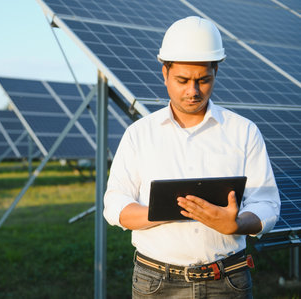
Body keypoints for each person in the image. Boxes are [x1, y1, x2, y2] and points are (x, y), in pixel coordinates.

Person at [103, 16, 280, 299]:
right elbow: (114, 204)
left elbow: (268, 204)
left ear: (216, 71)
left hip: (228, 280)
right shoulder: (139, 134)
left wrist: (236, 224)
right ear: (164, 72)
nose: (193, 91)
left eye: (203, 80)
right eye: (182, 80)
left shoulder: (244, 131)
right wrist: (160, 211)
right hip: (156, 283)